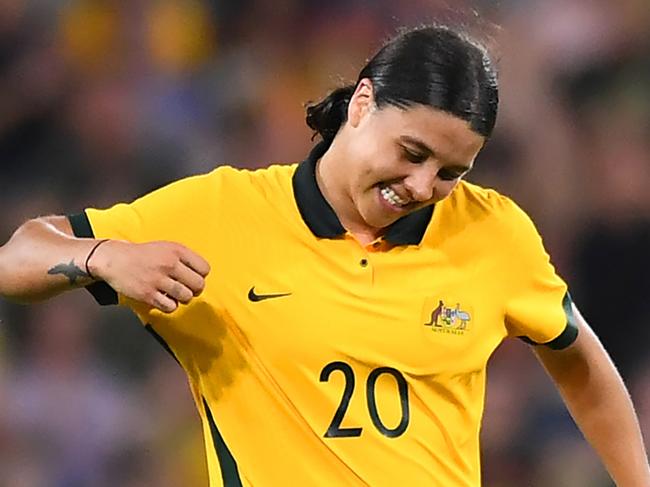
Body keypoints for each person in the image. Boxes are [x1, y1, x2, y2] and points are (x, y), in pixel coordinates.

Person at [0, 25, 648, 487]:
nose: (423, 186)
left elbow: (578, 355)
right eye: (413, 152)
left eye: (452, 169)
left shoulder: (492, 231)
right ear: (362, 103)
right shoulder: (225, 212)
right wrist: (102, 254)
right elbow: (18, 255)